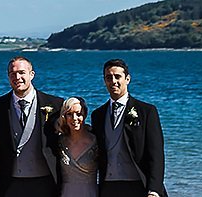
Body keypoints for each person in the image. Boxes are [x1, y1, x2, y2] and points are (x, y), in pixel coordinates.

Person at [0, 56, 62, 196]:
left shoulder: (55, 105)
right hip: (11, 182)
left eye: (21, 72)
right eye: (12, 74)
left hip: (46, 181)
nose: (17, 77)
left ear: (32, 74)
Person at [90, 60, 164, 197]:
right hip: (108, 186)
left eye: (118, 76)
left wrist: (154, 189)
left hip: (138, 184)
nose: (113, 81)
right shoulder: (97, 115)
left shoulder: (147, 112)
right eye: (109, 77)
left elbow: (156, 154)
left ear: (127, 79)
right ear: (104, 81)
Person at [52, 97, 98, 197]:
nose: (74, 118)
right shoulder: (59, 142)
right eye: (69, 114)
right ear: (64, 116)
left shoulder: (96, 142)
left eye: (78, 114)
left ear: (85, 115)